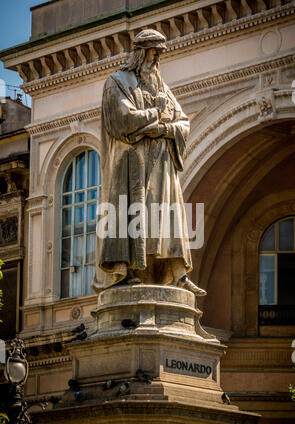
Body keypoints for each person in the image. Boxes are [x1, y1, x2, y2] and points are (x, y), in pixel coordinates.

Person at [92, 29, 206, 296]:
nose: (156, 61)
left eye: (159, 55)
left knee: (167, 216)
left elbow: (182, 122)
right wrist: (156, 113)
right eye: (153, 53)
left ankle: (178, 273)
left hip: (161, 164)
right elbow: (124, 120)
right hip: (131, 165)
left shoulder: (162, 87)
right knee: (131, 214)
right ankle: (128, 270)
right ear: (140, 52)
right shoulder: (116, 82)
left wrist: (163, 130)